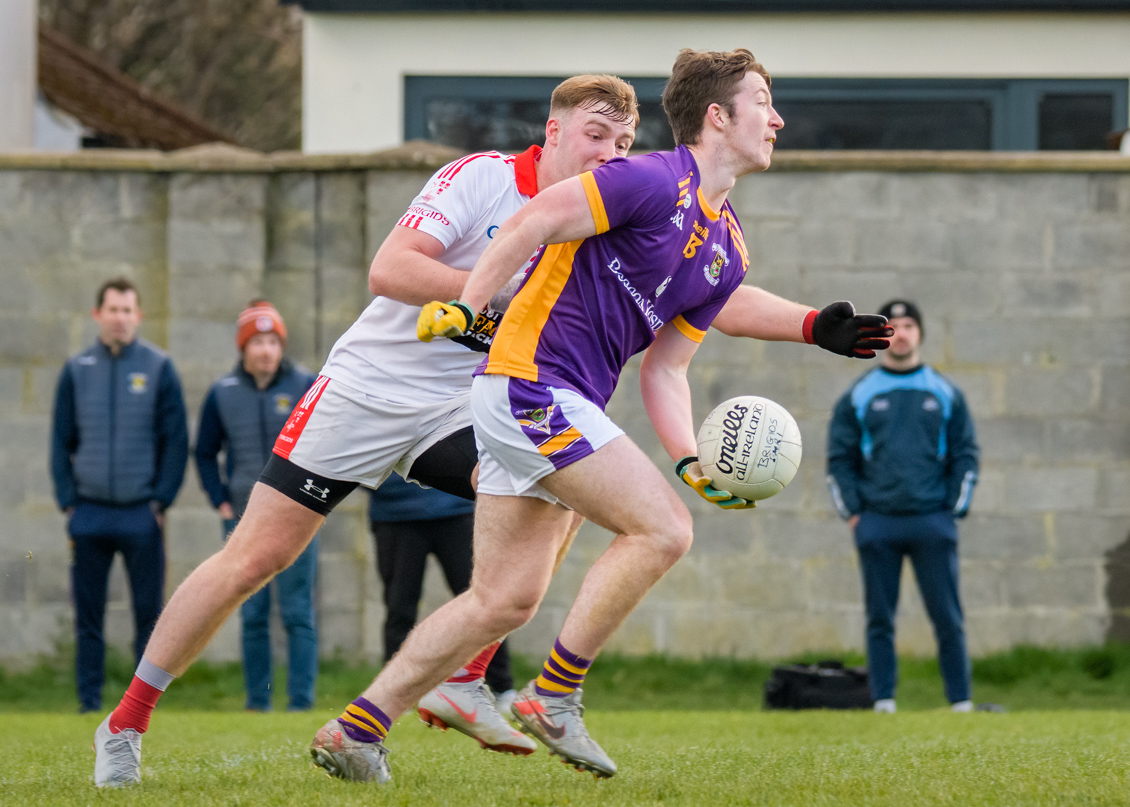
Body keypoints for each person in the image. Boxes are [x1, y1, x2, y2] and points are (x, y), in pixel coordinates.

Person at [93, 70, 884, 789]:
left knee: (554, 513)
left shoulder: (629, 203)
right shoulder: (488, 180)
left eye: (622, 140)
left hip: (465, 403)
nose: (610, 151)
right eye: (595, 136)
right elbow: (391, 269)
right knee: (256, 557)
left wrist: (810, 324)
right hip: (371, 388)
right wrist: (484, 300)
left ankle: (454, 682)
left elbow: (698, 285)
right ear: (553, 132)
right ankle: (126, 720)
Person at [318, 47, 892, 785]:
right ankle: (554, 693)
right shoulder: (647, 178)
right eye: (762, 102)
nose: (777, 117)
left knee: (503, 597)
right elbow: (531, 220)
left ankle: (355, 728)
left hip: (548, 395)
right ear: (717, 117)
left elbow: (667, 366)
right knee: (663, 529)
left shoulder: (726, 244)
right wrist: (472, 303)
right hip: (530, 381)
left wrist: (692, 456)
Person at [826, 299, 979, 714]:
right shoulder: (859, 394)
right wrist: (855, 514)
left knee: (948, 617)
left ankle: (961, 702)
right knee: (880, 619)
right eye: (893, 325)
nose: (902, 332)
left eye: (909, 324)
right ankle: (884, 701)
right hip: (877, 523)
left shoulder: (944, 392)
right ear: (881, 336)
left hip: (933, 521)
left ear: (920, 334)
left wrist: (953, 509)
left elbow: (965, 454)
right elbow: (839, 460)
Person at [50, 277, 188, 714]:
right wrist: (69, 501)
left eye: (128, 310)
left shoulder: (159, 367)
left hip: (140, 514)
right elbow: (60, 440)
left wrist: (160, 501)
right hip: (88, 513)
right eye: (113, 310)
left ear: (138, 316)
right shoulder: (76, 370)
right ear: (98, 315)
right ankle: (89, 701)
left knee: (148, 616)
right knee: (88, 618)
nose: (121, 318)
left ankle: (138, 706)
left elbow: (176, 441)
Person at [194, 301, 320, 712]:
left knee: (298, 612)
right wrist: (220, 501)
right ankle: (257, 702)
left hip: (298, 515)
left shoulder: (305, 383)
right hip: (242, 520)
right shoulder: (222, 393)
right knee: (251, 613)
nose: (266, 350)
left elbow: (325, 442)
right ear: (243, 348)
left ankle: (301, 701)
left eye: (272, 342)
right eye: (257, 342)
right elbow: (204, 452)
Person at [368, 475, 522, 733]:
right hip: (394, 512)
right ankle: (393, 695)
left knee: (485, 603)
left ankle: (502, 689)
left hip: (458, 510)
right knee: (399, 608)